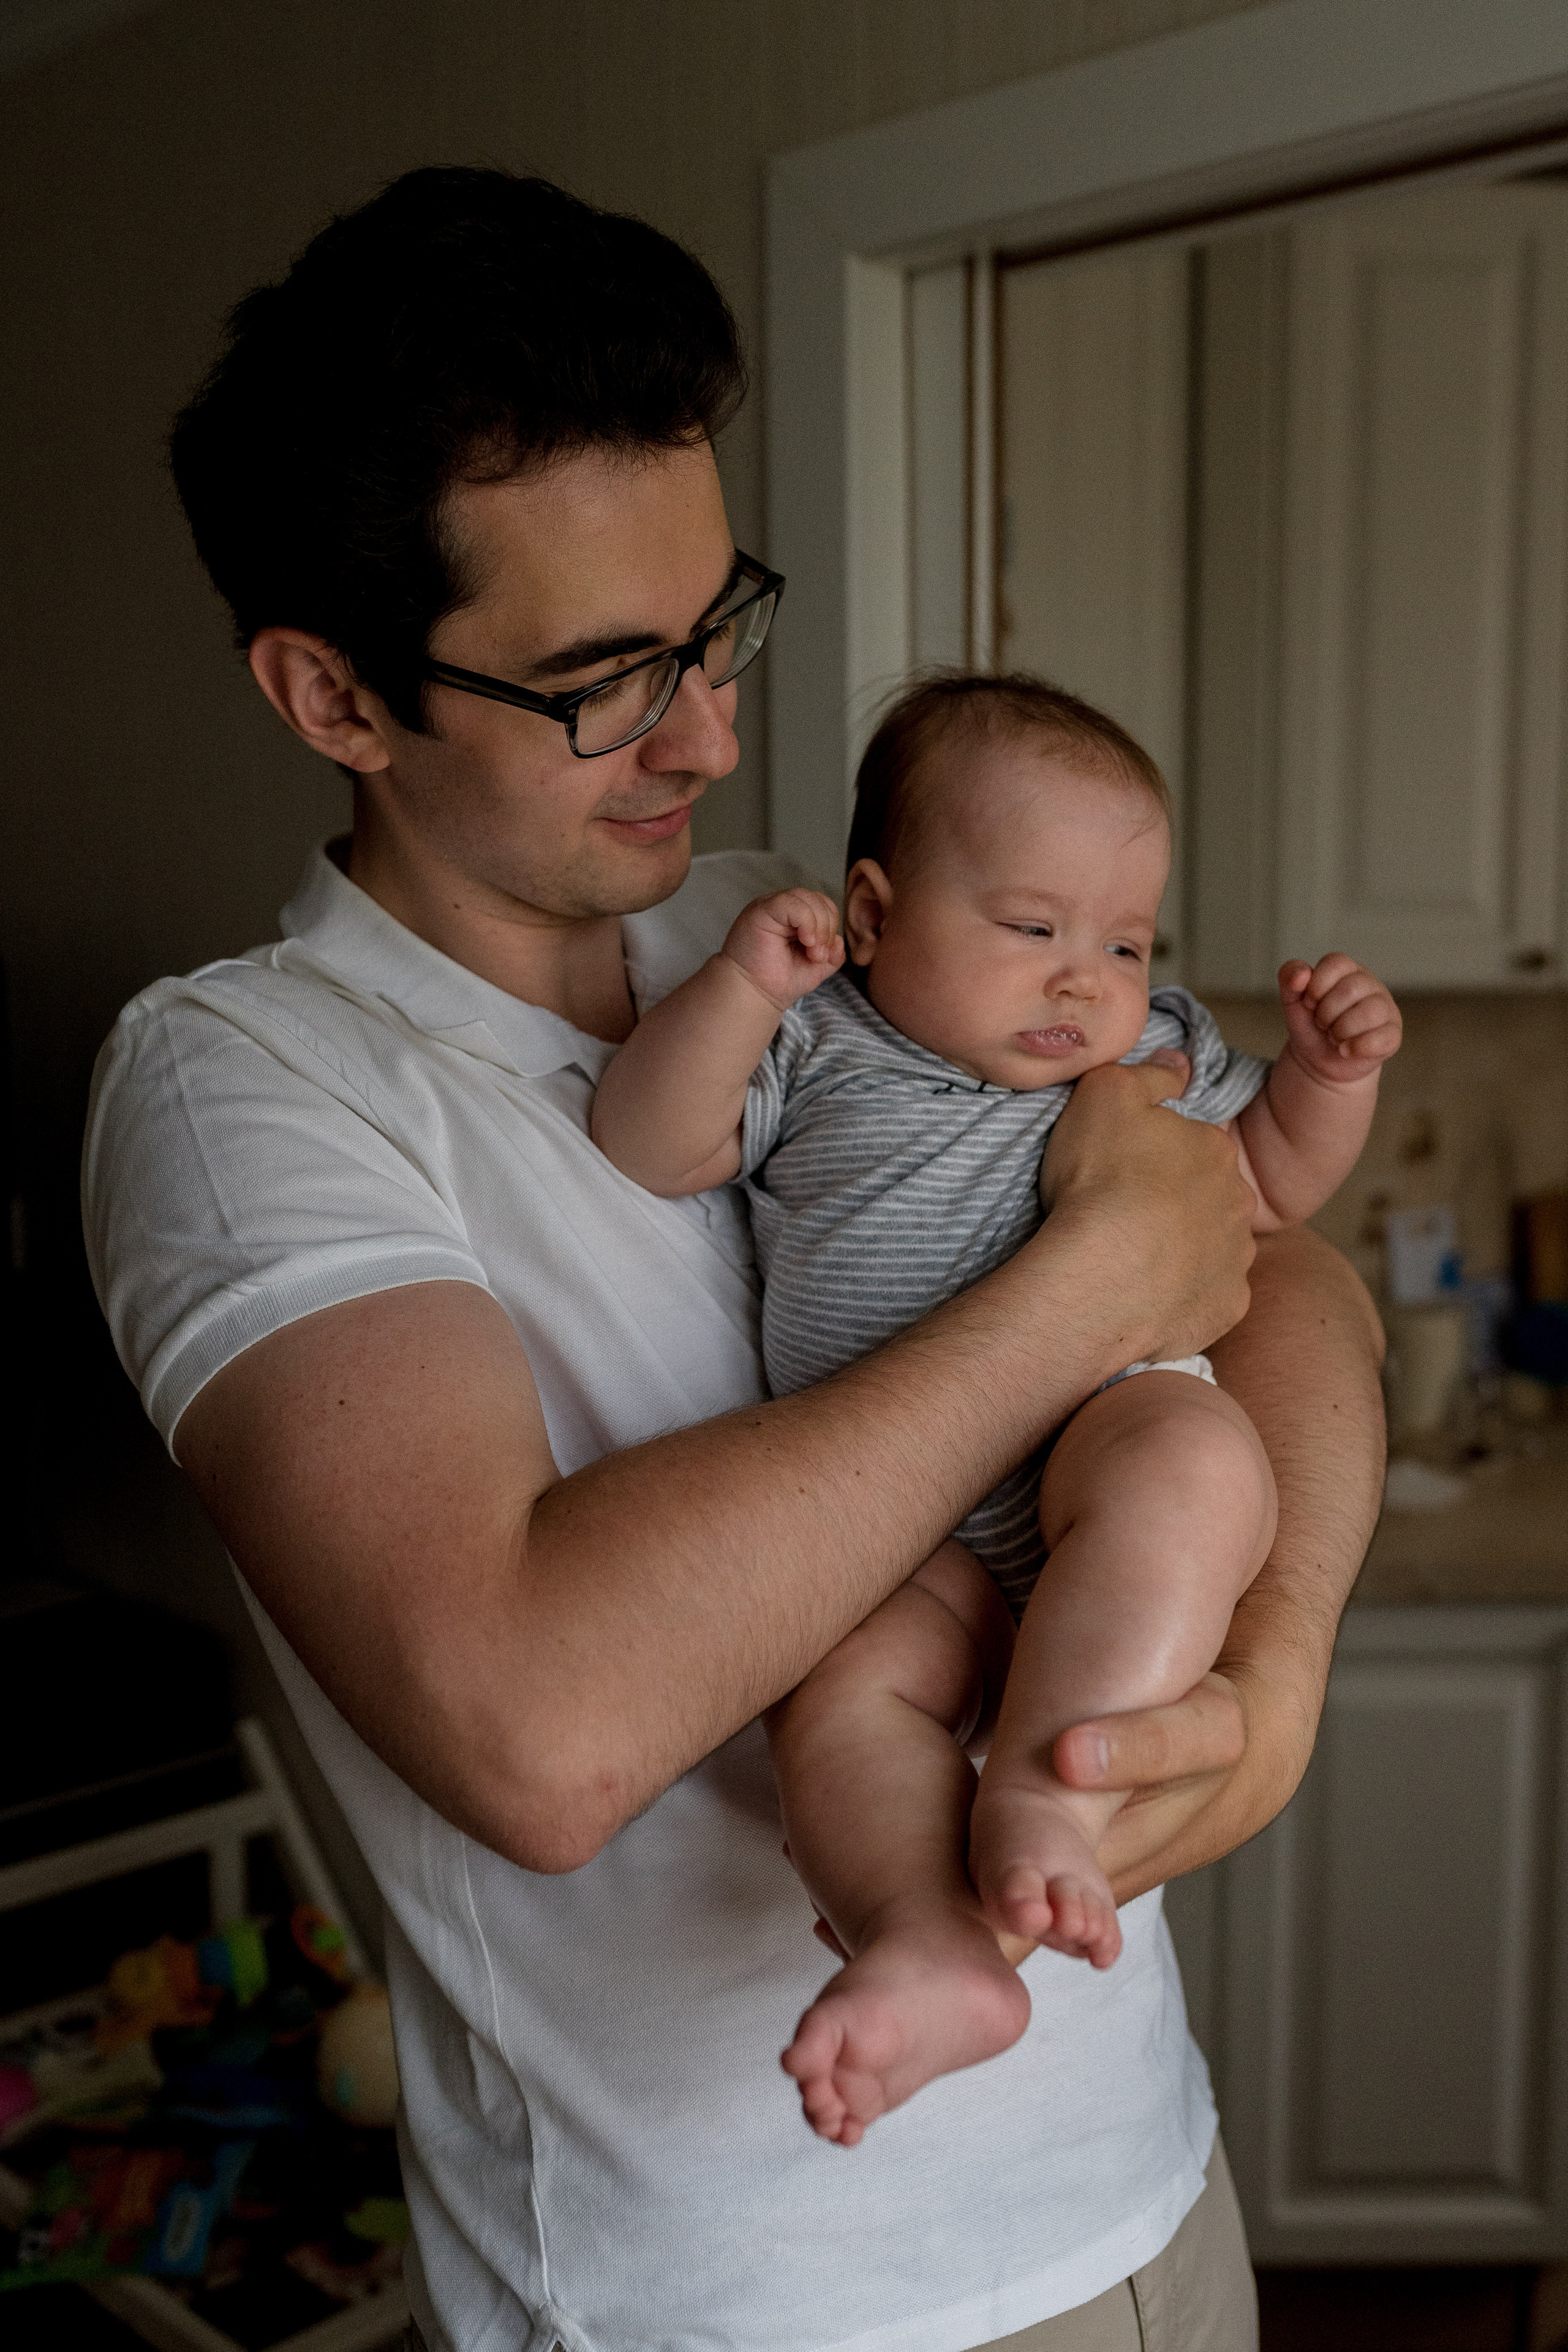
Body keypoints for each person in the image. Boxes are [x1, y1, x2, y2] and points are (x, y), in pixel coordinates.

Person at [82, 167, 1385, 2352]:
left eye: (717, 630)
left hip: (1150, 2191)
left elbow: (1284, 1277)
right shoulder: (244, 1089)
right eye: (607, 679)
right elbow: (538, 1724)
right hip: (758, 2296)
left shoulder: (838, 918)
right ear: (333, 697)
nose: (708, 737)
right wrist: (1077, 1292)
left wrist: (1285, 1671)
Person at [592, 671, 1401, 2148]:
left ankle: (1045, 1803)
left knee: (1197, 1473)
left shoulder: (1147, 1053)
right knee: (840, 1694)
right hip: (900, 1506)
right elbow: (653, 1142)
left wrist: (1325, 1078)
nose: (1082, 979)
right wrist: (738, 994)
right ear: (877, 913)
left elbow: (1269, 1193)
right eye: (1031, 929)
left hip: (1102, 1424)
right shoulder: (819, 1039)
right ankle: (927, 1939)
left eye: (1120, 939)